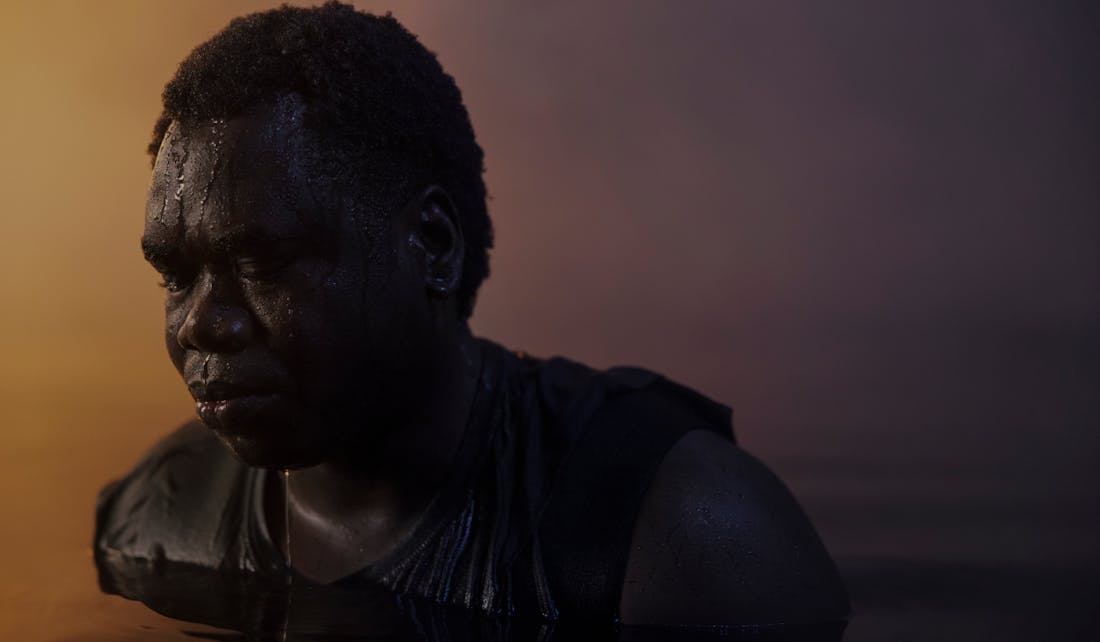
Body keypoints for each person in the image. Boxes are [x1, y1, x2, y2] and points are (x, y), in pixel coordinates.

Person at [95, 2, 849, 628]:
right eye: (176, 275)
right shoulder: (156, 515)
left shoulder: (683, 533)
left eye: (263, 264)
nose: (201, 324)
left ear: (433, 244)